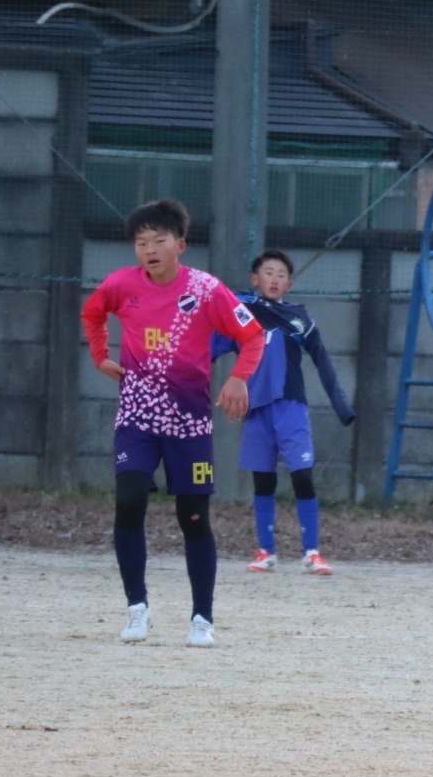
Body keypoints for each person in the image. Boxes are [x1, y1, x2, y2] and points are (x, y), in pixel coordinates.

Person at [82, 197, 264, 647]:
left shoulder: (205, 289)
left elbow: (252, 335)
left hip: (189, 422)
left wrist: (239, 378)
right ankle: (137, 609)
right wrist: (100, 355)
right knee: (129, 502)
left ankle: (202, 618)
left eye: (158, 240)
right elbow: (92, 312)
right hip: (137, 416)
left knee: (194, 516)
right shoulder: (121, 284)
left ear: (179, 244)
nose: (149, 249)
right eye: (141, 242)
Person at [212, 250, 355, 576]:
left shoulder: (297, 318)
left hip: (291, 406)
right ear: (255, 279)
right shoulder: (241, 312)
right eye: (268, 273)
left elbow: (323, 361)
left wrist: (342, 407)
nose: (274, 279)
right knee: (263, 481)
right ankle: (266, 552)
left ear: (289, 284)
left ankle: (312, 553)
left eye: (281, 275)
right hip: (255, 410)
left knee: (302, 476)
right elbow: (209, 346)